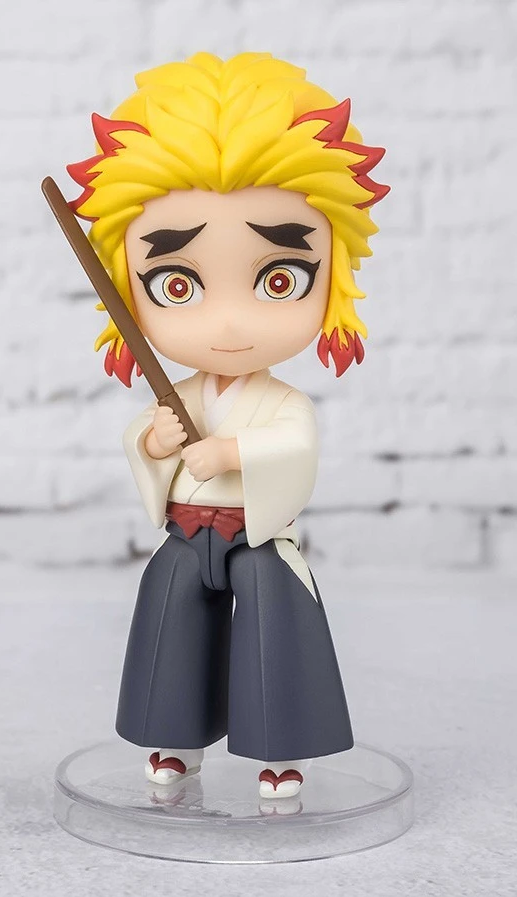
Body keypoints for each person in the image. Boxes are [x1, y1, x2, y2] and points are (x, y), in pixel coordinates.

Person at [67, 51, 389, 799]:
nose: (231, 322)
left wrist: (231, 450)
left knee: (278, 629)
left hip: (255, 537)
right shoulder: (176, 395)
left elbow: (295, 447)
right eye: (177, 284)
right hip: (188, 534)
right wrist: (155, 444)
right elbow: (145, 444)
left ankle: (283, 750)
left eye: (279, 279)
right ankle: (175, 739)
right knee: (169, 623)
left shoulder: (282, 401)